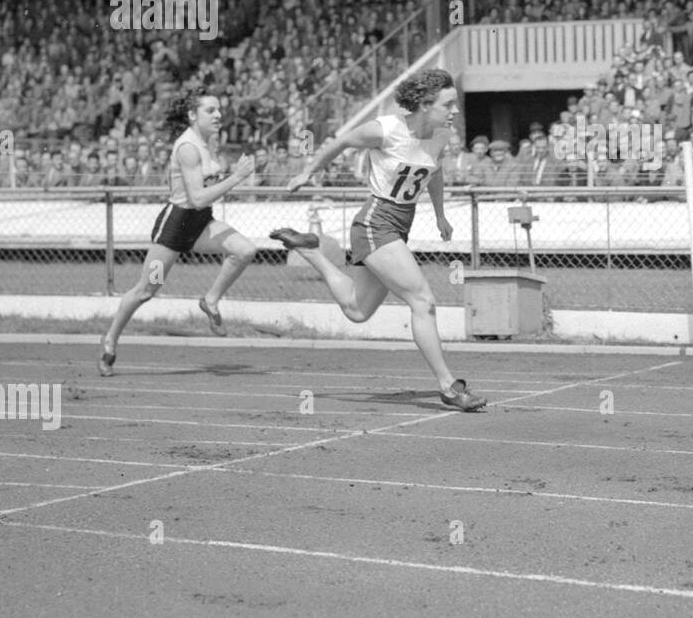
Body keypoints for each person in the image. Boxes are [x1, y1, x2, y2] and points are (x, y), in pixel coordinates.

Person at [268, 68, 486, 411]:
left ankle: (313, 253)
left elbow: (435, 173)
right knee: (422, 301)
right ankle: (448, 385)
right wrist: (308, 173)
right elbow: (339, 141)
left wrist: (441, 214)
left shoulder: (441, 136)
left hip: (398, 226)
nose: (456, 112)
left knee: (357, 310)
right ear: (425, 104)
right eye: (449, 105)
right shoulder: (386, 130)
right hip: (375, 222)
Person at [99, 90, 258, 377]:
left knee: (245, 250)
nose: (218, 115)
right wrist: (236, 177)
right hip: (176, 228)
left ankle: (210, 300)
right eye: (210, 110)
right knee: (146, 291)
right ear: (192, 115)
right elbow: (196, 198)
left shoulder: (209, 141)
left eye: (219, 109)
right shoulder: (187, 147)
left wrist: (229, 174)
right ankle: (110, 339)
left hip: (200, 224)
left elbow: (205, 193)